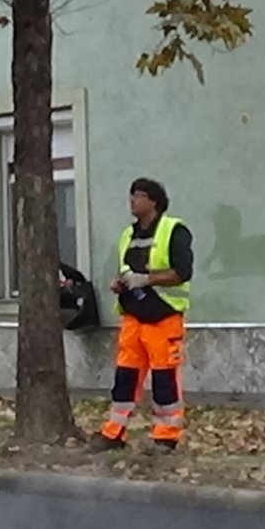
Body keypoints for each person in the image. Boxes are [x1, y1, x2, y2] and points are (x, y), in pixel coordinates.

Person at [89, 178, 193, 452]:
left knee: (165, 379)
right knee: (125, 377)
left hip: (164, 317)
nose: (132, 200)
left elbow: (182, 273)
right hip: (133, 317)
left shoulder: (175, 231)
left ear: (154, 201)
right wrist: (121, 283)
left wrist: (145, 280)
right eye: (132, 195)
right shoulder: (128, 234)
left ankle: (166, 436)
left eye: (139, 195)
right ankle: (114, 433)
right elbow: (127, 270)